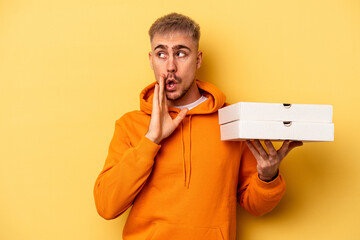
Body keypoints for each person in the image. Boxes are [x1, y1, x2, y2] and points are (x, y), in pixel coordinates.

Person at [93, 12, 303, 240]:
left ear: (198, 59)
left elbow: (256, 206)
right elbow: (106, 206)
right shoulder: (129, 125)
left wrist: (267, 177)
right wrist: (151, 139)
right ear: (151, 59)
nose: (170, 66)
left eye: (181, 53)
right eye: (161, 54)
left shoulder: (231, 120)